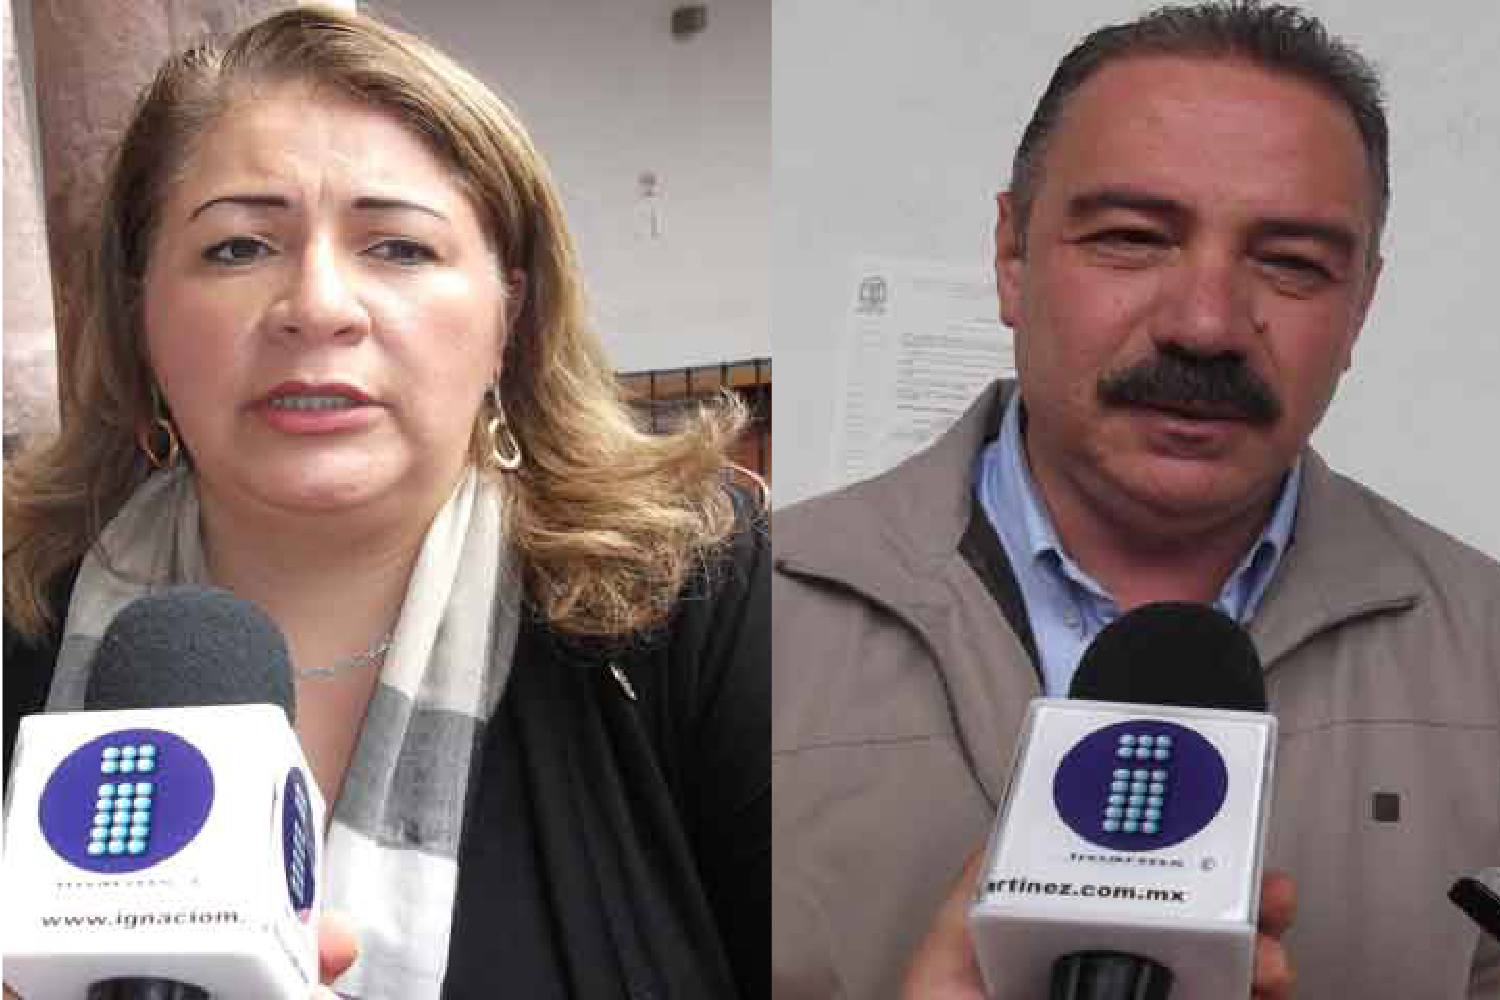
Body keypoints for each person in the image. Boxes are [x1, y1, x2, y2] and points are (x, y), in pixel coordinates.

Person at [3, 6, 768, 999]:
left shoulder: (700, 591)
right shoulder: (20, 617)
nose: (318, 306)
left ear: (509, 316)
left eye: (400, 248)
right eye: (238, 247)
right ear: (139, 312)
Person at [772, 2, 1500, 998]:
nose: (1205, 324)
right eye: (1131, 238)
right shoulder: (750, 623)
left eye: (1292, 264)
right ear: (1012, 257)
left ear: (1361, 305)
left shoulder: (1485, 649)